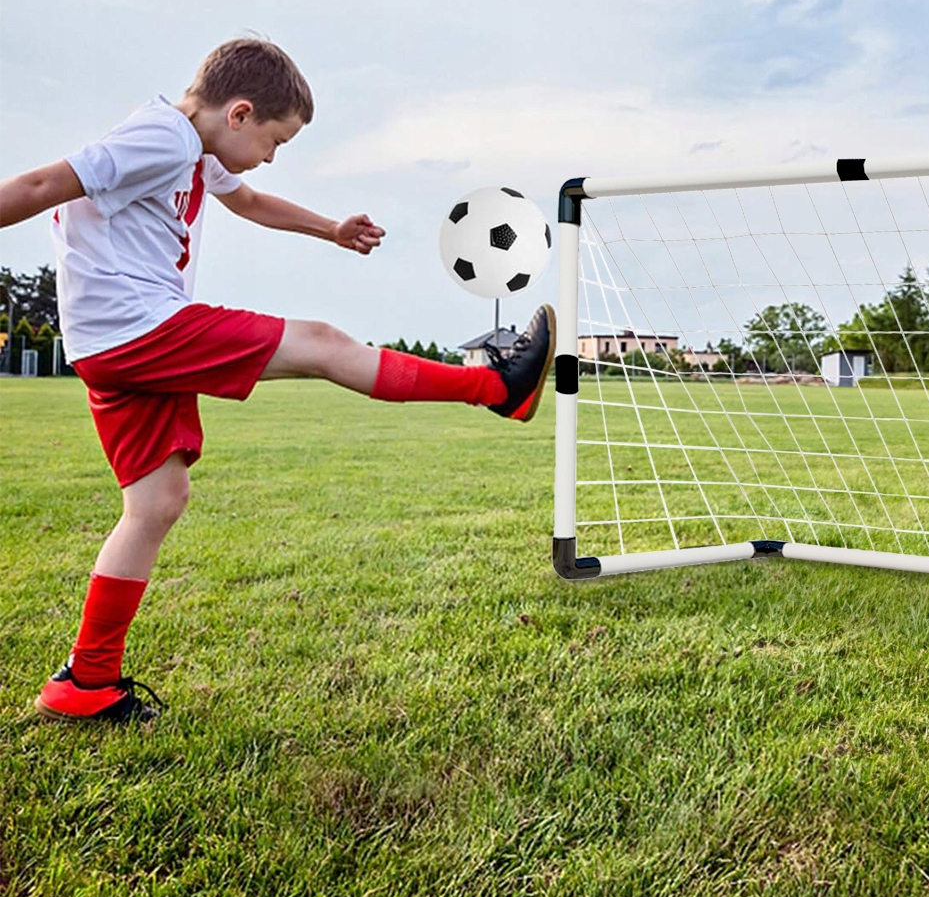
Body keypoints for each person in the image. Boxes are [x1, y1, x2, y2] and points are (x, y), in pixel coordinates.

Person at [0, 37, 554, 725]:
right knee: (322, 343)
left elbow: (251, 201)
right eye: (275, 139)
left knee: (158, 501)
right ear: (238, 114)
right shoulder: (160, 140)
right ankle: (498, 389)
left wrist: (332, 229)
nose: (271, 155)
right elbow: (38, 187)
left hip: (112, 339)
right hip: (134, 327)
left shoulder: (195, 145)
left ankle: (86, 682)